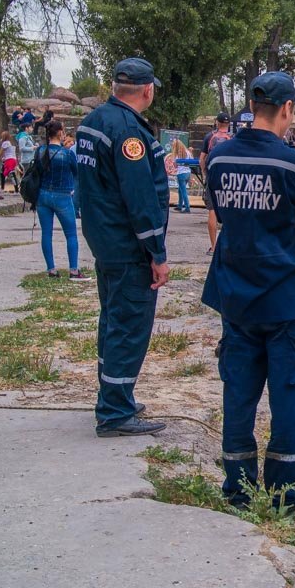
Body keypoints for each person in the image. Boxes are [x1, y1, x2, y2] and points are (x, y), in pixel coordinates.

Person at [201, 70, 295, 516]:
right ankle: (285, 495)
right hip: (286, 298)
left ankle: (237, 489)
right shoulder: (292, 162)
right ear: (287, 109)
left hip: (236, 295)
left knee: (238, 393)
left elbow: (217, 209)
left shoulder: (219, 158)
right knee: (287, 395)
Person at [76, 57, 171, 438]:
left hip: (104, 240)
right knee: (129, 325)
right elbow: (140, 197)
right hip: (128, 244)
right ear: (147, 90)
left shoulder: (92, 122)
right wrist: (156, 252)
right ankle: (115, 411)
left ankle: (115, 394)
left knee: (113, 319)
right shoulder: (130, 133)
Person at [34, 120, 88, 280]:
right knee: (71, 233)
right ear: (59, 133)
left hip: (43, 194)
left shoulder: (41, 151)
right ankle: (73, 270)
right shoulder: (67, 153)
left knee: (46, 233)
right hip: (63, 195)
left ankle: (51, 269)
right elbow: (77, 172)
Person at [200, 112, 235, 255]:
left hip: (213, 177)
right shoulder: (233, 138)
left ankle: (214, 247)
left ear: (217, 122)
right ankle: (230, 246)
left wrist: (205, 173)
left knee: (212, 211)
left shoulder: (210, 136)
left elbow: (202, 158)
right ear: (228, 124)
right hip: (230, 178)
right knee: (232, 212)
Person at [171, 138, 193, 213]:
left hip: (180, 174)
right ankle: (180, 206)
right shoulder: (187, 152)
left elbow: (175, 166)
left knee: (183, 191)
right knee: (181, 190)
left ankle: (187, 208)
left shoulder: (176, 154)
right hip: (188, 173)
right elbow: (191, 161)